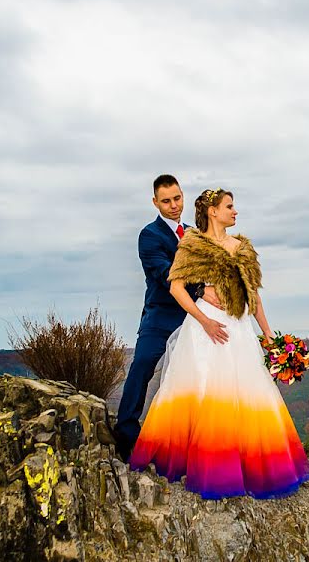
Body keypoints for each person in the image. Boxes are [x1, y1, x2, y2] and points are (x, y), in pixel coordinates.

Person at [129, 188, 309, 499]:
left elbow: (253, 297)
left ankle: (248, 466)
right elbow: (176, 288)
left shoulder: (242, 247)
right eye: (229, 206)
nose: (235, 212)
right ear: (213, 211)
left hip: (238, 328)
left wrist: (269, 335)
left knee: (247, 396)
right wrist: (204, 320)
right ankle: (203, 464)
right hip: (206, 329)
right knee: (204, 394)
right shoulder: (193, 245)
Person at [114, 174, 223, 463]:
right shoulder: (149, 235)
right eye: (166, 201)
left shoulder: (194, 234)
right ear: (155, 202)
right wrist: (200, 288)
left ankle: (187, 441)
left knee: (192, 375)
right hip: (160, 315)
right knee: (142, 365)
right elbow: (165, 274)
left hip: (194, 317)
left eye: (177, 198)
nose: (173, 205)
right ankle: (126, 435)